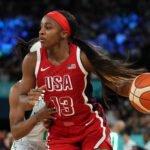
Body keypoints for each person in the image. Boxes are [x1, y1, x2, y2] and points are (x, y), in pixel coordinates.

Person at [19, 10, 144, 150]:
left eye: (47, 27)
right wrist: (29, 101)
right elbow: (22, 101)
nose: (41, 32)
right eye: (41, 27)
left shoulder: (82, 56)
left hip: (89, 126)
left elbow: (116, 85)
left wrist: (137, 90)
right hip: (59, 132)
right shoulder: (31, 61)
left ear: (64, 34)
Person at [9, 38, 56, 150]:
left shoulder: (59, 83)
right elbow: (16, 133)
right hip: (26, 142)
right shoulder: (17, 89)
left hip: (53, 141)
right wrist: (38, 117)